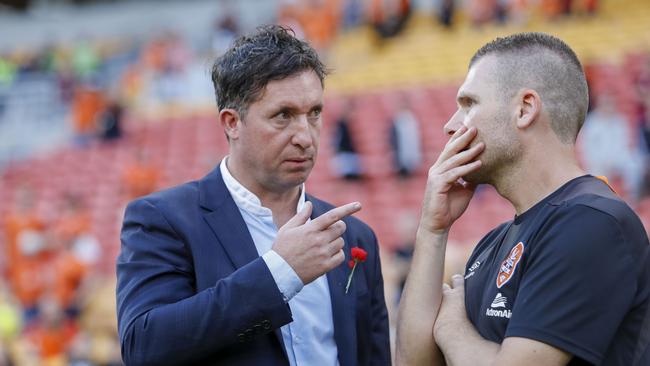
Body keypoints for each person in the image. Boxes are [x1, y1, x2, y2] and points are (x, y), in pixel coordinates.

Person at [116, 25, 390, 365]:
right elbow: (144, 346)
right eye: (283, 116)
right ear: (232, 123)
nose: (305, 136)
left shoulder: (353, 236)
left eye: (314, 113)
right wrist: (280, 272)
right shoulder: (164, 220)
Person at [396, 32, 650, 366]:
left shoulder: (592, 221)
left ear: (525, 109)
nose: (450, 125)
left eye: (469, 104)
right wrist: (433, 230)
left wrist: (453, 329)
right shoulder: (492, 244)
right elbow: (412, 363)